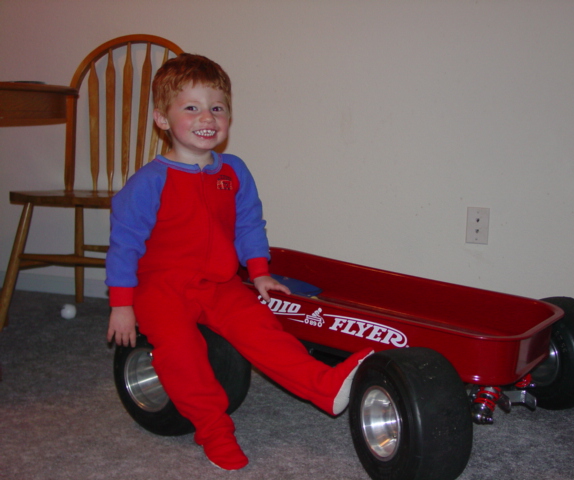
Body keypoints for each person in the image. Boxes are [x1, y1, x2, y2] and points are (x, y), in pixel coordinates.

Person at [105, 53, 373, 471]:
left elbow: (249, 222)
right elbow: (124, 245)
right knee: (181, 353)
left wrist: (259, 272)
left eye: (217, 108)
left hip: (221, 283)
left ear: (228, 117)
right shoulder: (149, 182)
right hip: (162, 288)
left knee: (263, 330)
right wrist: (122, 303)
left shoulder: (233, 171)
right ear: (161, 119)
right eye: (191, 107)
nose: (206, 117)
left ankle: (325, 384)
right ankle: (213, 429)